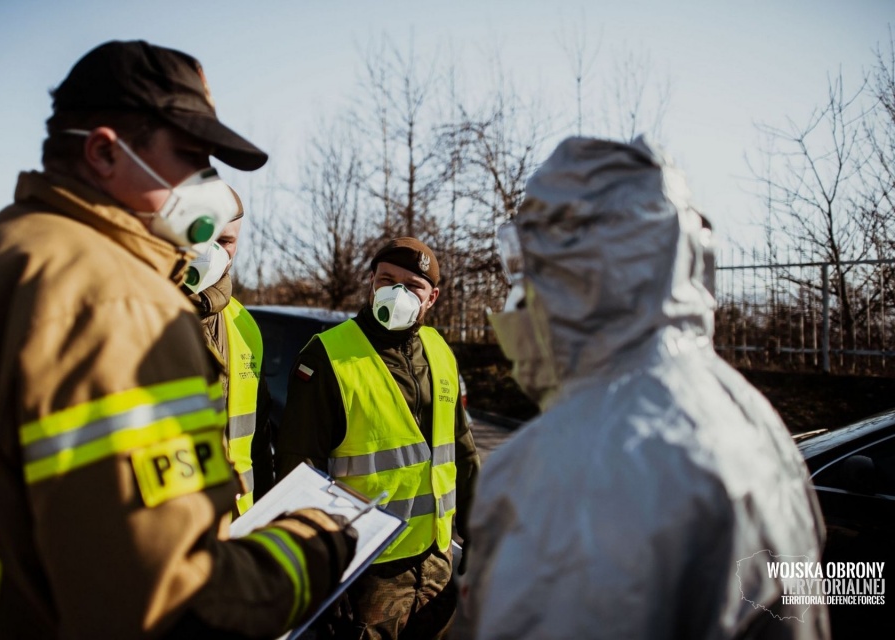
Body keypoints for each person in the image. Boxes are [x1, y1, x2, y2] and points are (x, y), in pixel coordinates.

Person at [0, 39, 356, 639]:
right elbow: (174, 604)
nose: (208, 185)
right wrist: (313, 548)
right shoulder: (115, 302)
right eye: (191, 157)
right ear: (103, 151)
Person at [457, 136, 830, 639]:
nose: (517, 299)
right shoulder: (748, 412)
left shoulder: (569, 467)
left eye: (534, 269)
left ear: (580, 276)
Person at [276, 237, 481, 640]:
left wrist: (479, 533)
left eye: (413, 285)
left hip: (434, 560)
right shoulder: (327, 355)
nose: (397, 292)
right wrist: (320, 571)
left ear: (432, 297)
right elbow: (299, 471)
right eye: (387, 279)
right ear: (371, 282)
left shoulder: (439, 351)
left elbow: (461, 447)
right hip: (364, 568)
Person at [181, 201, 273, 513]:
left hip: (238, 520)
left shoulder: (244, 324)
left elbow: (258, 441)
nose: (212, 253)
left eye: (225, 241)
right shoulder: (136, 312)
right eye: (203, 237)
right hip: (172, 529)